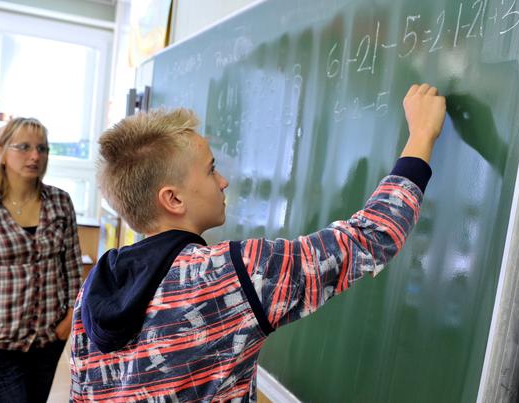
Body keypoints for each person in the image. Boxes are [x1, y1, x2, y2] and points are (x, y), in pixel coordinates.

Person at [69, 84, 446, 401]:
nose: (223, 181)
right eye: (211, 168)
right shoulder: (230, 273)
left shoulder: (96, 286)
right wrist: (421, 136)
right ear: (174, 199)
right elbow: (370, 237)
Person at [0, 117, 83, 403]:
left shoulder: (60, 202)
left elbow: (71, 264)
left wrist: (71, 316)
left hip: (47, 339)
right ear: (0, 153)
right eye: (23, 147)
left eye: (42, 148)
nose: (35, 156)